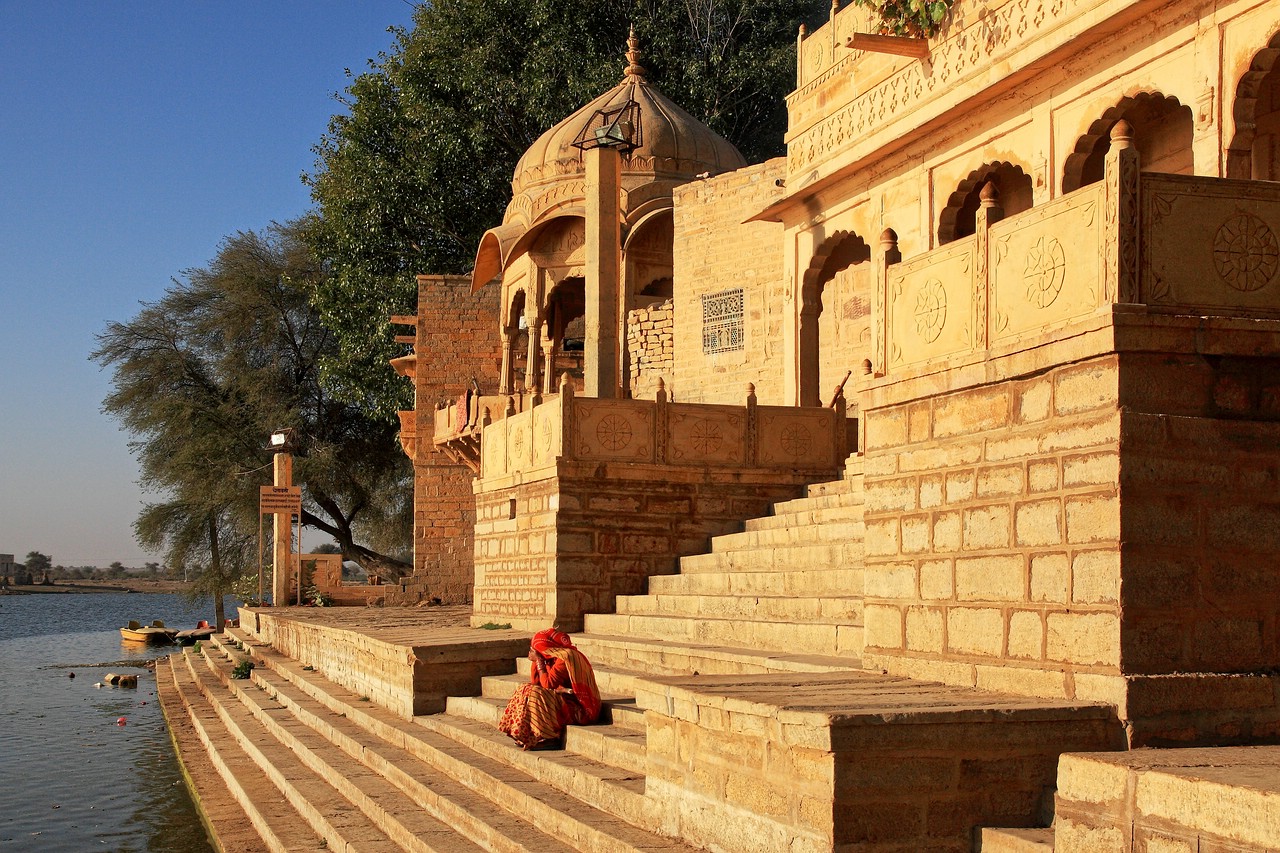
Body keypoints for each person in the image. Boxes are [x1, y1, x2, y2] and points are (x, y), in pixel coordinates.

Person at [499, 628, 601, 750]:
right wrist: (537, 663)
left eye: (538, 649)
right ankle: (524, 734)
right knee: (524, 688)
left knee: (534, 693)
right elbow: (536, 683)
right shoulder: (551, 658)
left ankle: (550, 737)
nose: (534, 651)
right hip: (562, 699)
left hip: (580, 708)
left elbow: (547, 684)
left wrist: (539, 661)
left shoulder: (566, 657)